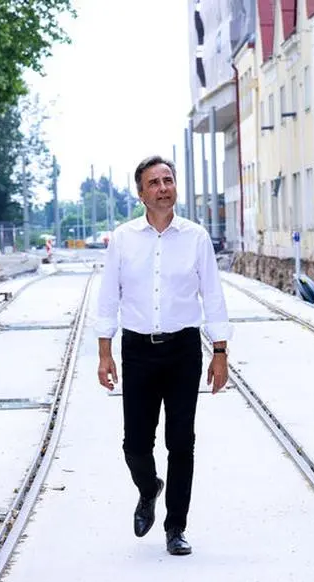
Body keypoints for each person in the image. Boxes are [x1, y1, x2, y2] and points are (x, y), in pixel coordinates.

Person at [94, 155, 230, 556]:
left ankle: (175, 528)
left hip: (184, 349)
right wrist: (105, 354)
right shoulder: (123, 239)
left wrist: (219, 352)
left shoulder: (196, 238)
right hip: (137, 350)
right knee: (135, 443)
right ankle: (148, 486)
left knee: (181, 442)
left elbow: (214, 296)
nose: (163, 188)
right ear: (141, 193)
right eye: (154, 182)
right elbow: (108, 299)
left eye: (168, 180)